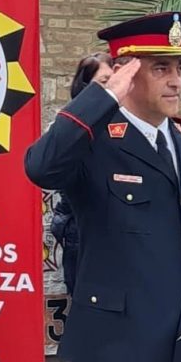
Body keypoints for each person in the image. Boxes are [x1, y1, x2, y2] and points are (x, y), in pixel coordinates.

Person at [24, 12, 181, 362]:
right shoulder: (94, 139)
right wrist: (103, 96)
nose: (176, 81)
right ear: (126, 73)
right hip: (116, 353)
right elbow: (41, 167)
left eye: (179, 68)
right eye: (160, 69)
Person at [50, 52, 114, 296]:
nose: (112, 88)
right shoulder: (71, 127)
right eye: (104, 82)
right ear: (85, 87)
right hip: (81, 230)